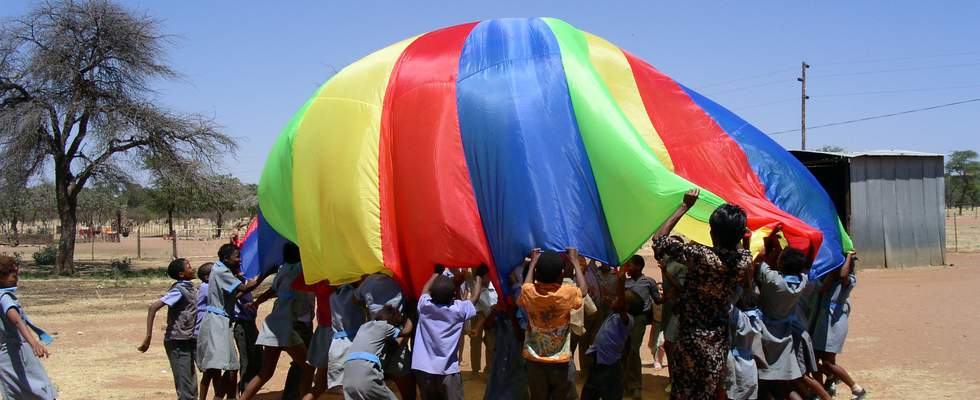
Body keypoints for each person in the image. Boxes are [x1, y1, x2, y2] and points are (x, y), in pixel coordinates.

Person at [650, 189, 751, 399]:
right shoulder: (744, 260)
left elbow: (658, 239)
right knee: (709, 390)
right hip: (718, 340)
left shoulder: (701, 257)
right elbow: (740, 247)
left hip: (691, 337)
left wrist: (685, 206)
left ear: (712, 233)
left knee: (684, 391)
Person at [754, 247, 829, 400]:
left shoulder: (773, 280)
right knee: (783, 384)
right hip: (785, 337)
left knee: (764, 384)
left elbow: (759, 260)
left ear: (780, 263)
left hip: (765, 337)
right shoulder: (802, 281)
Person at [241, 243, 313, 400]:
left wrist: (257, 302)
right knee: (308, 366)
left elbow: (273, 290)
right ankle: (303, 396)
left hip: (274, 322)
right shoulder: (303, 269)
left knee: (265, 373)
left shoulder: (283, 270)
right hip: (289, 325)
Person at [197, 243, 265, 400]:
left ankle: (224, 396)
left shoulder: (220, 269)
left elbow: (233, 295)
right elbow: (244, 288)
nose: (239, 260)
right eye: (237, 257)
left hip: (221, 321)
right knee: (230, 365)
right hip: (218, 322)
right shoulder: (221, 272)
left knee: (230, 365)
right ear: (226, 258)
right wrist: (265, 273)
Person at [517, 248, 586, 400]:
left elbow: (526, 286)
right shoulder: (567, 293)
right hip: (560, 362)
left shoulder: (530, 293)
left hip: (534, 360)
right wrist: (574, 261)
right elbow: (584, 290)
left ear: (537, 274)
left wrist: (533, 263)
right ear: (561, 275)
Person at [413, 264, 486, 400]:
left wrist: (436, 273)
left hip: (423, 369)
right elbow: (474, 298)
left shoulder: (424, 306)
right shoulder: (458, 310)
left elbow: (425, 290)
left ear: (432, 295)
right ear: (453, 296)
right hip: (447, 372)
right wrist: (479, 276)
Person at [137, 258, 199, 400]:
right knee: (185, 386)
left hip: (188, 339)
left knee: (190, 382)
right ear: (181, 274)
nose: (192, 269)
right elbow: (153, 307)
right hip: (177, 341)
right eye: (189, 267)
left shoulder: (191, 288)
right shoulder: (178, 291)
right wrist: (148, 336)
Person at [581, 265, 644, 400]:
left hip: (610, 369)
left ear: (625, 307)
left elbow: (620, 302)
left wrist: (621, 280)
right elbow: (617, 302)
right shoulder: (614, 314)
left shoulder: (627, 321)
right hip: (598, 363)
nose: (614, 299)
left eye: (619, 300)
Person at [0, 256, 56, 400]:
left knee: (15, 388)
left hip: (4, 354)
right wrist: (34, 343)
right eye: (14, 276)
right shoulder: (4, 298)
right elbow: (17, 321)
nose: (17, 279)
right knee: (38, 385)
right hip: (17, 352)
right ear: (2, 277)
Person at [813, 252, 867, 399]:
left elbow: (843, 275)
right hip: (824, 322)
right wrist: (831, 273)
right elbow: (822, 291)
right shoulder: (831, 278)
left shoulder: (850, 279)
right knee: (814, 358)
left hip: (835, 322)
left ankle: (856, 388)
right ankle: (823, 388)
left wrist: (847, 256)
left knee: (829, 362)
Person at [341, 305, 414, 400]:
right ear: (392, 320)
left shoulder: (364, 326)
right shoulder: (384, 326)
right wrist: (411, 316)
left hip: (347, 379)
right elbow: (406, 332)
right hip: (366, 376)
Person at [621, 254, 662, 398]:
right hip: (624, 318)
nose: (627, 268)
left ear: (638, 266)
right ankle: (624, 384)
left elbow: (657, 300)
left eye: (629, 265)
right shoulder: (624, 282)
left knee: (633, 349)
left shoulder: (648, 282)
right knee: (623, 351)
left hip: (640, 319)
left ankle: (635, 385)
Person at [299, 277, 335, 400]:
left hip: (322, 330)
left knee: (311, 371)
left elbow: (298, 284)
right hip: (334, 333)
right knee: (321, 382)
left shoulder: (320, 280)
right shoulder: (342, 284)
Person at [327, 282, 365, 392]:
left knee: (342, 389)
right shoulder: (355, 296)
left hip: (337, 345)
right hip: (354, 344)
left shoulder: (332, 297)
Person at [196, 262, 220, 400]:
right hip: (206, 332)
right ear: (207, 277)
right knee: (211, 370)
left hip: (211, 330)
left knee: (216, 370)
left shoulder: (206, 286)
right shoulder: (206, 287)